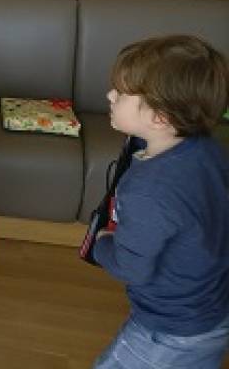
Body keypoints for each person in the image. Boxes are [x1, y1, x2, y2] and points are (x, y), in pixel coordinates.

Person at [93, 35, 229, 369]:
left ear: (160, 118)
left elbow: (131, 267)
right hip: (212, 309)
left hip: (168, 330)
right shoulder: (208, 149)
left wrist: (101, 244)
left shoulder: (148, 191)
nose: (110, 96)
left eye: (121, 93)